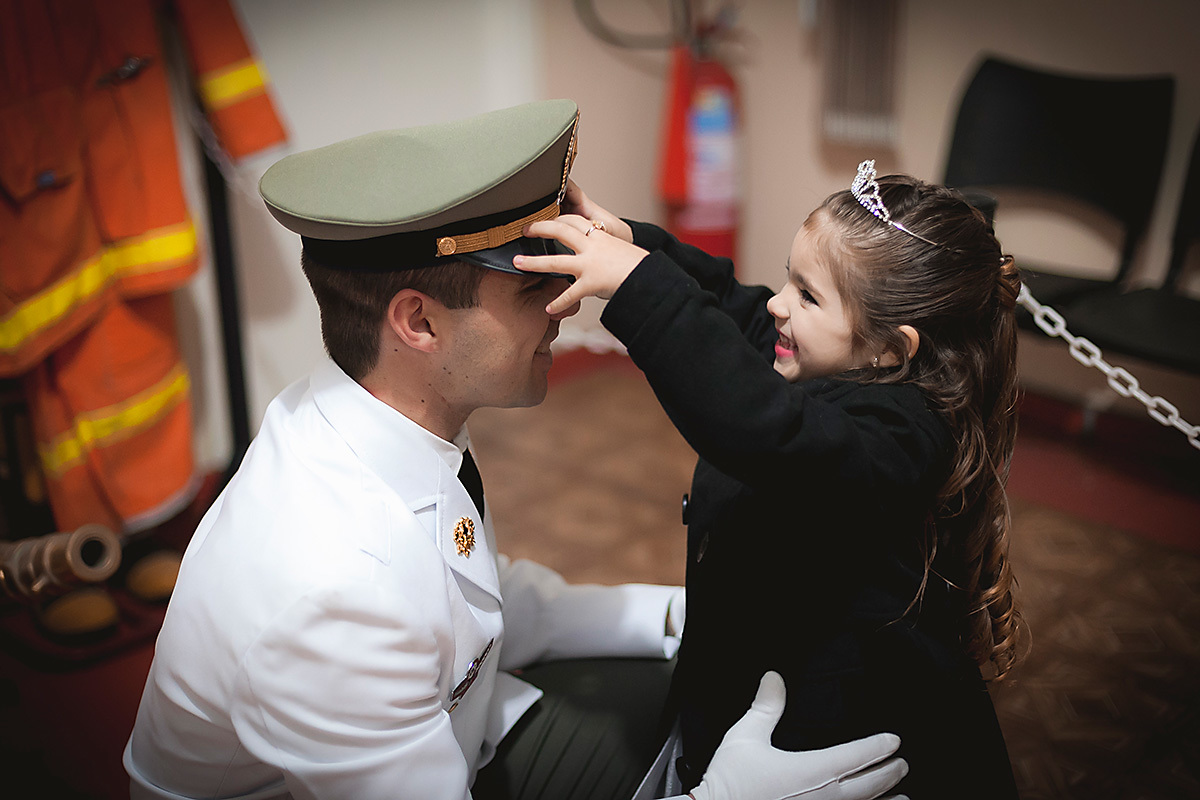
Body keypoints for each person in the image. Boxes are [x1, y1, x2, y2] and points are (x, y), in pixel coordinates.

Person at [122, 101, 911, 800]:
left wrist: (674, 613)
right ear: (420, 324)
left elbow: (474, 604)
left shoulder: (377, 416)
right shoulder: (332, 591)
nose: (565, 308)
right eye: (534, 287)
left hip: (455, 729)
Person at [516, 160, 1028, 798]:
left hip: (821, 747)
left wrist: (638, 287)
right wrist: (634, 244)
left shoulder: (902, 436)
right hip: (746, 691)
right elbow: (742, 313)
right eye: (791, 278)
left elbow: (764, 427)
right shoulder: (832, 359)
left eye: (809, 296)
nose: (780, 303)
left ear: (892, 350)